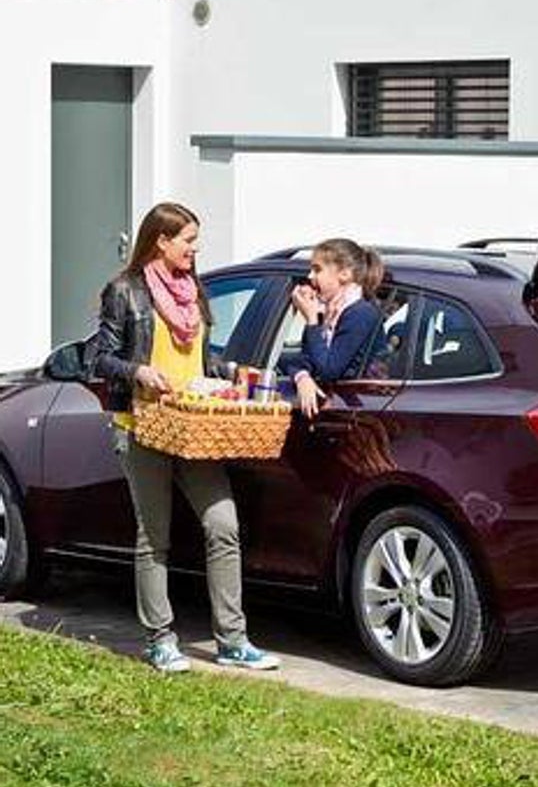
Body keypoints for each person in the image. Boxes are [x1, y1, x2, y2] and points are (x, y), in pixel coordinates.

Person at [90, 202, 280, 673]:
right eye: (188, 240)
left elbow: (199, 362)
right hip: (143, 426)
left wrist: (232, 372)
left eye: (196, 240)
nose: (195, 249)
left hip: (194, 427)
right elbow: (100, 357)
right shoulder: (125, 292)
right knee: (153, 537)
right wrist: (139, 372)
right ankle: (159, 639)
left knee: (223, 525)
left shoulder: (193, 290)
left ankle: (232, 640)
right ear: (162, 240)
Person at [286, 238, 384, 418]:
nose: (310, 277)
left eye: (317, 269)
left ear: (344, 274)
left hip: (355, 413)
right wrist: (302, 377)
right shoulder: (329, 314)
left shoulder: (360, 313)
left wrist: (311, 320)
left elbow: (328, 370)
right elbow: (302, 361)